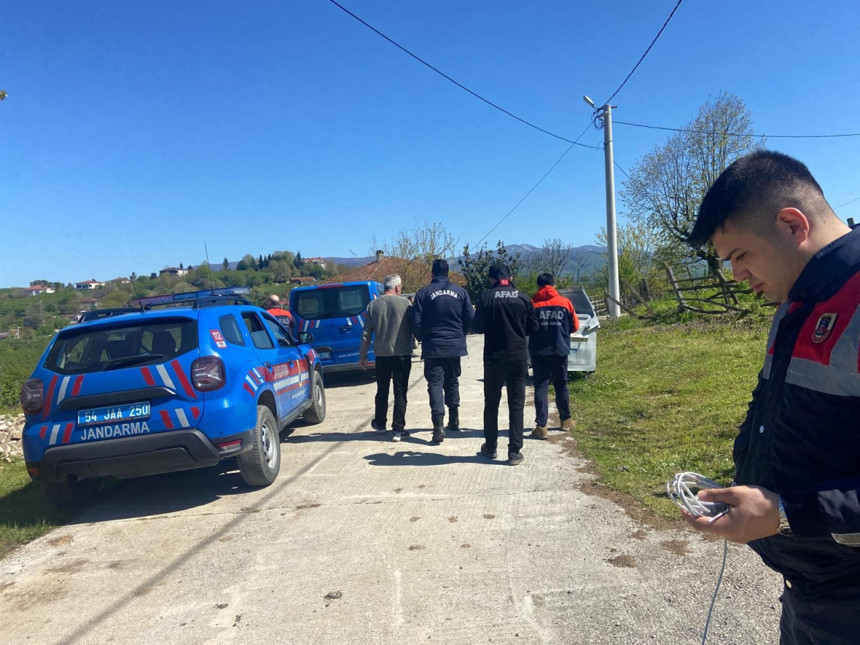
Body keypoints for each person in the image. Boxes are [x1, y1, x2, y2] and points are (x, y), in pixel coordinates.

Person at [683, 150, 860, 644]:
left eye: (739, 255)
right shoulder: (793, 301)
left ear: (790, 223)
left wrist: (785, 512)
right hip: (810, 592)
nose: (736, 275)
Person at [472, 263, 538, 465]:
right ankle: (514, 451)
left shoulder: (486, 298)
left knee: (491, 403)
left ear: (492, 279)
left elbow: (477, 327)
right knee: (516, 404)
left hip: (494, 358)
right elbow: (533, 327)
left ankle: (491, 447)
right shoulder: (523, 297)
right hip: (518, 357)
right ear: (511, 276)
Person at [411, 259, 474, 443]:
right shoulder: (460, 292)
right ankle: (454, 420)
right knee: (452, 381)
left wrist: (422, 338)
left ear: (432, 274)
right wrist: (461, 334)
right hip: (454, 346)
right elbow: (470, 317)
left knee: (435, 384)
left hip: (433, 346)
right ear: (448, 273)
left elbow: (415, 321)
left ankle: (438, 426)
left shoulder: (423, 293)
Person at [359, 274, 414, 441]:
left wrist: (362, 356)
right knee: (400, 392)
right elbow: (413, 327)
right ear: (397, 287)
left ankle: (380, 424)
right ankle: (398, 429)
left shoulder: (373, 305)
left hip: (381, 355)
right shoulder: (406, 304)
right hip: (402, 354)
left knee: (382, 390)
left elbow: (366, 334)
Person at [529, 273, 578, 440]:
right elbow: (575, 326)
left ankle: (542, 426)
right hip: (560, 350)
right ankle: (565, 420)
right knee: (561, 385)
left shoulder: (533, 303)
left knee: (541, 387)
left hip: (539, 352)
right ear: (554, 285)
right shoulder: (565, 303)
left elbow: (527, 327)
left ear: (538, 286)